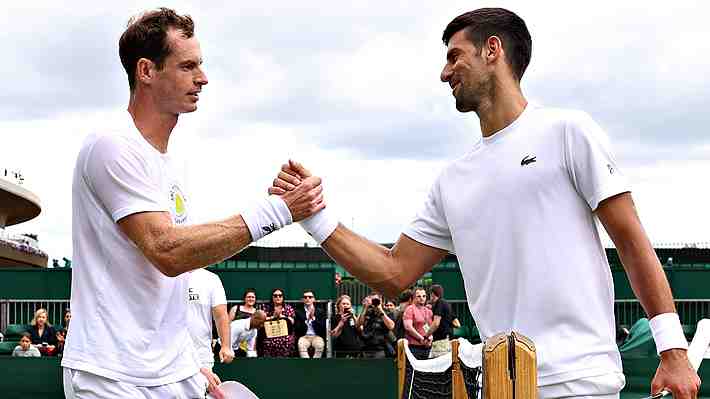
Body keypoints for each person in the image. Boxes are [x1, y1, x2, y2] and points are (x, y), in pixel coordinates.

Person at [270, 7, 700, 398]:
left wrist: (673, 351)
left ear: (492, 50)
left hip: (581, 383)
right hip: (499, 388)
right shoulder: (452, 180)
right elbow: (391, 273)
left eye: (455, 56)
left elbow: (630, 240)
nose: (445, 72)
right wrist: (314, 215)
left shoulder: (568, 130)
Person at [62, 7, 324, 399]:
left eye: (199, 66)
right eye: (187, 67)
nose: (202, 78)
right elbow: (167, 250)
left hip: (174, 373)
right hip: (110, 377)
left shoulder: (171, 162)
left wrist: (189, 362)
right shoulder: (110, 145)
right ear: (146, 71)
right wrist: (280, 210)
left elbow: (171, 285)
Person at [187, 268, 234, 370]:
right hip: (167, 357)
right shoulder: (164, 275)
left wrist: (225, 346)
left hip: (201, 355)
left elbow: (221, 315)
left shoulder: (211, 279)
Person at [259, 288, 296, 357]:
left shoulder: (288, 307)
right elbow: (261, 320)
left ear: (283, 297)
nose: (278, 297)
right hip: (269, 334)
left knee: (287, 341)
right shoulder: (265, 307)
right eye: (275, 296)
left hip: (285, 334)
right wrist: (273, 317)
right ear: (272, 297)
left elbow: (292, 322)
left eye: (280, 296)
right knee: (268, 342)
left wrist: (281, 316)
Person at [357, 293, 395, 358]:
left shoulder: (386, 312)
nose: (374, 302)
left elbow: (391, 326)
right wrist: (365, 308)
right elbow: (358, 324)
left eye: (376, 300)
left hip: (380, 348)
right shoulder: (366, 312)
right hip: (366, 348)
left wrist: (380, 310)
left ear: (381, 301)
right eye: (373, 300)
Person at [294, 289, 327, 358]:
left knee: (320, 345)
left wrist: (313, 319)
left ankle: (315, 365)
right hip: (304, 336)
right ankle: (306, 365)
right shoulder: (298, 312)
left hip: (316, 336)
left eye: (310, 297)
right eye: (305, 297)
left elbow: (322, 327)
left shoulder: (320, 311)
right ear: (302, 300)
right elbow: (297, 328)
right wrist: (307, 321)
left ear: (314, 299)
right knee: (301, 345)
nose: (307, 299)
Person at [424, 284, 454, 358]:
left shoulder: (439, 303)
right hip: (446, 339)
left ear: (432, 294)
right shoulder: (445, 303)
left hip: (441, 341)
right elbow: (456, 322)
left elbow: (436, 323)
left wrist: (426, 336)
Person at [403, 288, 433, 360]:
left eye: (424, 296)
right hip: (414, 347)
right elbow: (408, 327)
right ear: (414, 297)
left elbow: (430, 327)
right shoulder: (410, 309)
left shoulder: (427, 310)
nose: (422, 298)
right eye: (419, 296)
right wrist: (421, 338)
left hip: (427, 346)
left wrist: (430, 338)